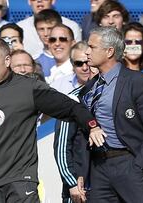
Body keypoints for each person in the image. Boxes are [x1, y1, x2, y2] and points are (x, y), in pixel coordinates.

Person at [0, 36, 104, 203]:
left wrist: (92, 125)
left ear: (7, 60)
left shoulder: (29, 88)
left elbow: (70, 107)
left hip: (20, 180)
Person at [76, 26, 143, 202]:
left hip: (129, 163)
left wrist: (139, 166)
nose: (87, 52)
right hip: (98, 168)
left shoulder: (138, 82)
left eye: (92, 47)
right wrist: (81, 172)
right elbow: (83, 133)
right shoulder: (88, 89)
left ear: (109, 51)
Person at [53, 40, 92, 203]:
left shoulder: (109, 95)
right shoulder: (70, 100)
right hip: (79, 186)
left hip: (105, 184)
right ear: (72, 66)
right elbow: (61, 147)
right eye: (79, 63)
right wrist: (71, 181)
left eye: (88, 62)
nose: (84, 67)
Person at [17, 0, 82, 58]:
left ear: (53, 1)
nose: (39, 0)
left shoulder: (71, 26)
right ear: (29, 1)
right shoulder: (20, 27)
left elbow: (77, 55)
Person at [34, 9, 62, 78]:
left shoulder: (72, 58)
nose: (46, 34)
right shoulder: (34, 62)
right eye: (41, 29)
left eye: (50, 28)